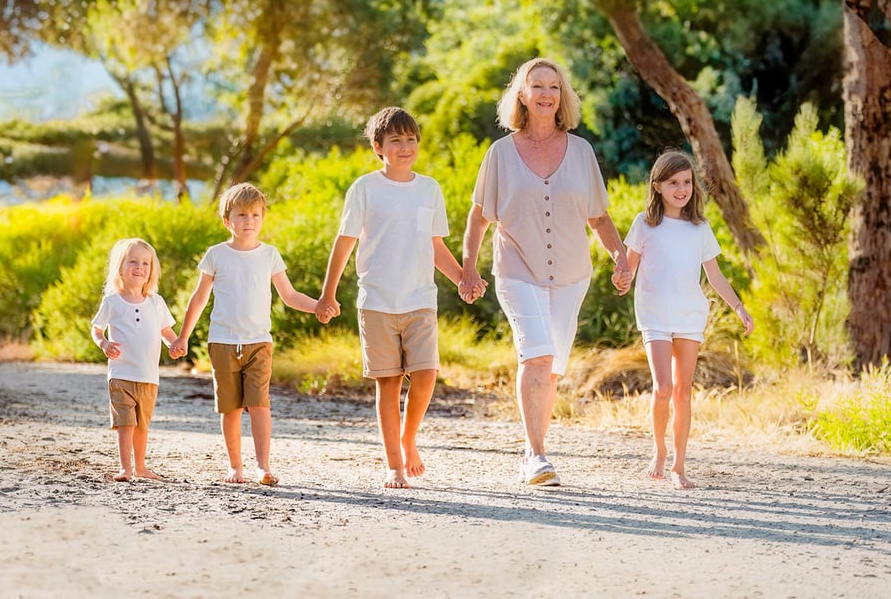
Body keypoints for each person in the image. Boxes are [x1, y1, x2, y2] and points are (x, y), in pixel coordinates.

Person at [460, 58, 631, 487]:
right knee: (535, 354)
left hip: (572, 274)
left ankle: (533, 445)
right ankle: (536, 455)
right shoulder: (500, 154)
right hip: (517, 271)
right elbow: (479, 218)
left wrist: (620, 257)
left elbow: (600, 217)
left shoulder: (582, 151)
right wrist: (467, 268)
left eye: (553, 86)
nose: (545, 94)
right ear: (521, 94)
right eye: (536, 86)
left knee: (551, 365)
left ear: (562, 95)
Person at [316, 106, 485, 489]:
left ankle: (409, 439)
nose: (405, 147)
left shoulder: (429, 188)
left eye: (411, 140)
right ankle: (395, 465)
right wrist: (328, 294)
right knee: (388, 385)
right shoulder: (364, 188)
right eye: (396, 140)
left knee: (426, 375)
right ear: (379, 147)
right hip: (376, 302)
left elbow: (435, 245)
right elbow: (343, 245)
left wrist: (464, 278)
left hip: (420, 299)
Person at [620, 150, 754, 489]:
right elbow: (627, 270)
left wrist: (739, 307)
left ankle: (679, 466)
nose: (682, 189)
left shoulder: (700, 228)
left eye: (687, 183)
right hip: (654, 315)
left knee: (682, 393)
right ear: (658, 186)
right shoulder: (644, 224)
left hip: (690, 316)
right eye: (673, 183)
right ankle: (659, 451)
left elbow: (716, 277)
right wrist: (619, 279)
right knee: (663, 388)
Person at [170, 183, 319, 485]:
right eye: (241, 215)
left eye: (255, 214)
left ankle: (262, 466)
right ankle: (235, 467)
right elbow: (199, 299)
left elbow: (289, 295)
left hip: (258, 342)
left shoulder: (270, 255)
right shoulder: (216, 255)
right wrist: (182, 336)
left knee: (260, 404)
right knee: (231, 408)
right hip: (222, 342)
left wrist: (319, 306)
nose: (249, 220)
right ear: (227, 221)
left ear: (263, 218)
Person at [91, 238, 184, 482]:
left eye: (145, 263)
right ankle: (125, 469)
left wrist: (175, 344)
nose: (139, 267)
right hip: (121, 374)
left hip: (148, 376)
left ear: (151, 270)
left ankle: (141, 467)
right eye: (133, 261)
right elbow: (97, 329)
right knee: (125, 424)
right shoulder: (112, 301)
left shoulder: (156, 302)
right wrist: (104, 344)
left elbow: (166, 331)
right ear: (120, 268)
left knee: (142, 425)